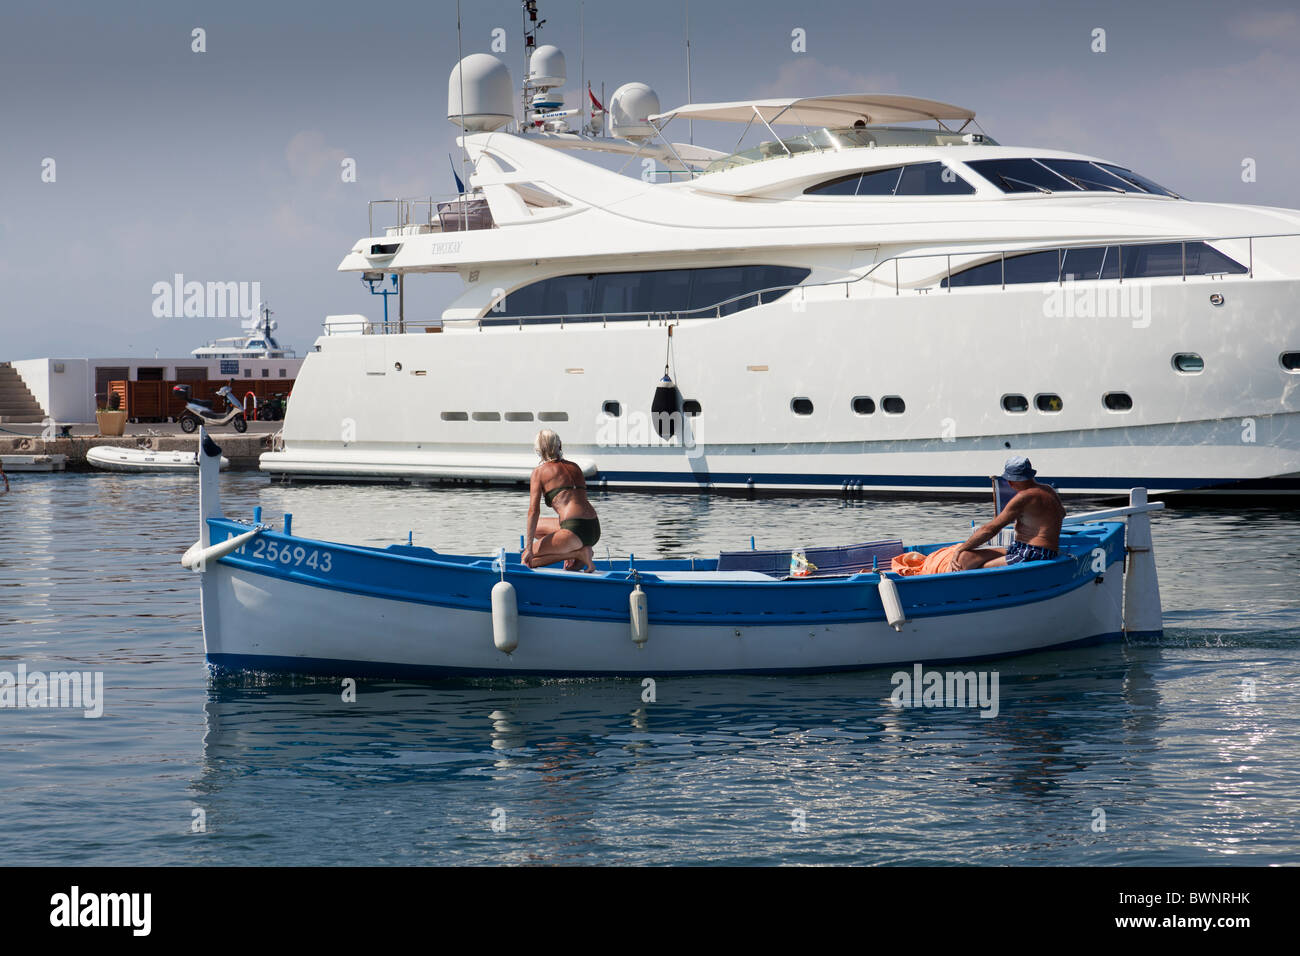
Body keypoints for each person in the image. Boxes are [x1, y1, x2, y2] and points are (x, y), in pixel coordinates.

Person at [948, 456, 1065, 571]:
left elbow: (990, 530)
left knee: (967, 566)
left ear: (1010, 481)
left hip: (1032, 554)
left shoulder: (1023, 497)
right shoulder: (1048, 489)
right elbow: (1062, 513)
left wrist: (960, 549)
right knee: (967, 558)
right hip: (1034, 550)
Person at [522, 430, 600, 571]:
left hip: (574, 530)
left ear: (538, 450)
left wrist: (529, 549)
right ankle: (574, 552)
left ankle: (579, 553)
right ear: (560, 445)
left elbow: (533, 511)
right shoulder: (575, 467)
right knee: (535, 528)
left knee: (527, 560)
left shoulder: (539, 472)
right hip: (594, 528)